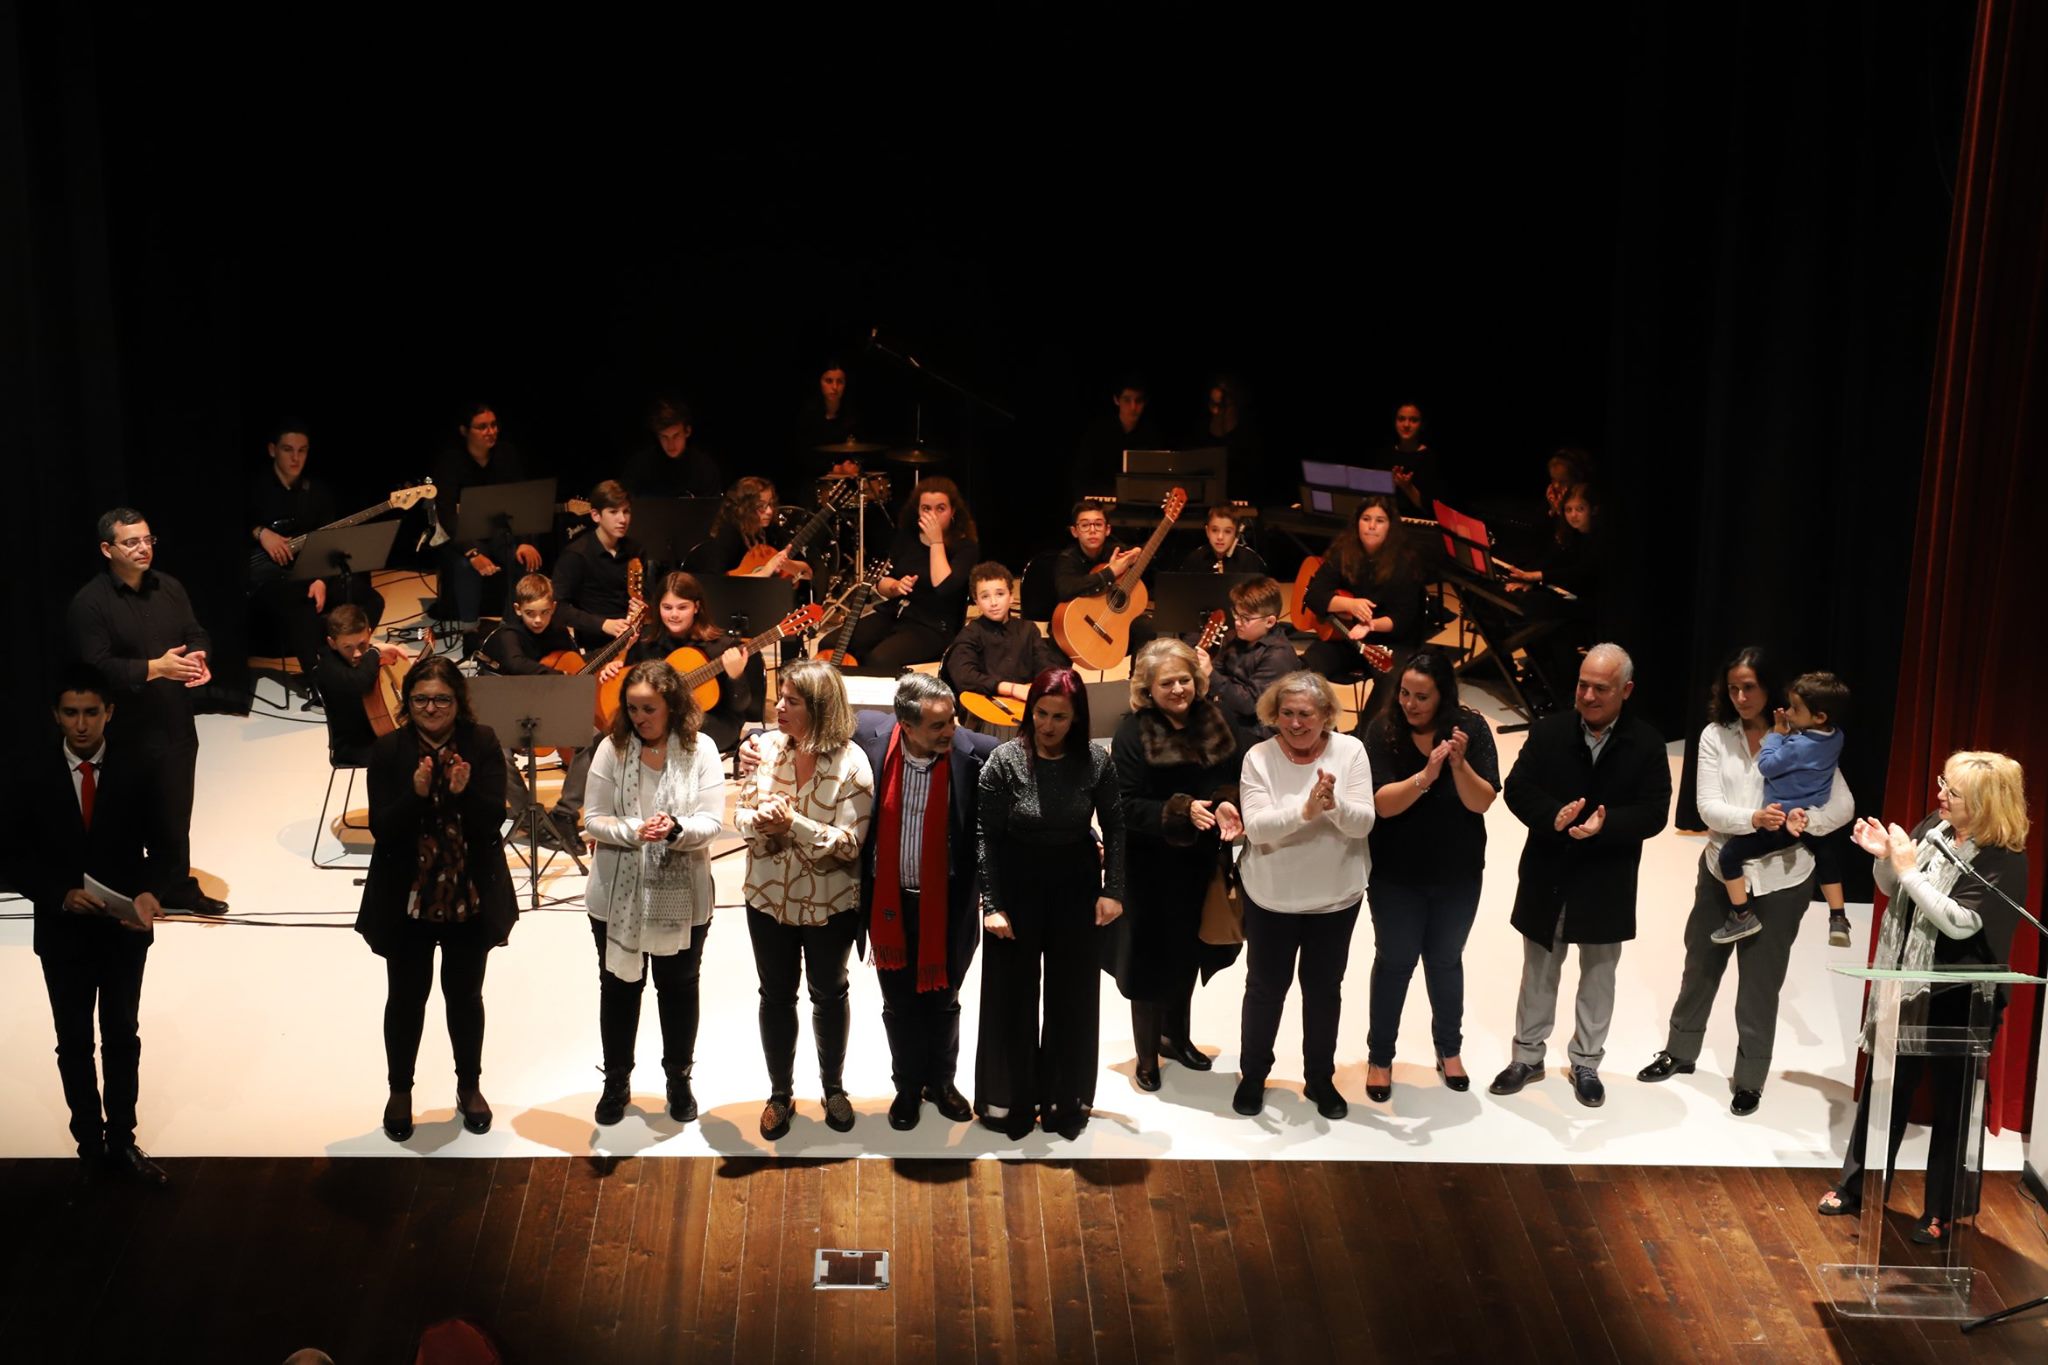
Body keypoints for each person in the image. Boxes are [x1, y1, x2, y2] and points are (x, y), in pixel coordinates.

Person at [1817, 752, 2030, 1246]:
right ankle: (1856, 1187)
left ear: (1985, 803)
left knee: (1955, 1106)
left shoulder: (2003, 859)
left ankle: (1941, 1210)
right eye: (1942, 785)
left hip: (1961, 994)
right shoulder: (1936, 826)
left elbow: (1960, 923)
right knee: (1885, 1090)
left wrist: (1909, 870)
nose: (1940, 796)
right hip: (1906, 982)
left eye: (1952, 792)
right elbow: (1896, 889)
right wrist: (1884, 859)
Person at [1637, 648, 1855, 1115]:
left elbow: (1842, 806)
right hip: (1724, 869)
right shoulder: (1715, 736)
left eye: (1749, 687)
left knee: (1760, 982)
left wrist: (1803, 823)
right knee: (1700, 964)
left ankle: (1750, 1078)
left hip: (1783, 878)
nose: (1740, 697)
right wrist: (1754, 820)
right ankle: (1680, 1051)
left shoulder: (1808, 738)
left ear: (1769, 688)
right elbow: (1707, 807)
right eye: (1733, 688)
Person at [7, 670, 171, 1184]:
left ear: (109, 713)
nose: (81, 724)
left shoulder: (138, 766)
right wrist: (59, 893)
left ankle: (121, 1140)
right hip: (63, 933)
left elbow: (166, 844)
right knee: (74, 1042)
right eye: (71, 713)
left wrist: (150, 892)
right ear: (56, 716)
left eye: (91, 713)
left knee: (122, 1037)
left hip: (123, 929)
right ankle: (89, 1146)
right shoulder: (31, 772)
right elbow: (12, 855)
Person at [1490, 643, 1671, 1108]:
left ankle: (1586, 1062)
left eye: (1600, 688)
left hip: (1606, 880)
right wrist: (1553, 816)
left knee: (1599, 975)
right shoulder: (1549, 731)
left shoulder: (1647, 743)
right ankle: (1526, 1057)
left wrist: (1605, 825)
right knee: (1538, 972)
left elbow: (1654, 812)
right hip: (1548, 871)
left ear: (1626, 690)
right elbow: (1517, 787)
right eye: (1582, 685)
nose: (1588, 696)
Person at [356, 655, 518, 1142]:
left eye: (441, 699)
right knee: (406, 998)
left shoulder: (481, 742)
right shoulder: (389, 750)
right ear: (407, 703)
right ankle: (399, 1090)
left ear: (458, 702)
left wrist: (463, 793)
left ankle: (469, 1086)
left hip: (468, 895)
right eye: (421, 699)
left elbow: (492, 822)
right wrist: (415, 794)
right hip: (409, 899)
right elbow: (382, 830)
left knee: (465, 997)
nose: (431, 708)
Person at [976, 668, 1125, 1139]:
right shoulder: (1003, 760)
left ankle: (1064, 1101)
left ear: (1076, 718)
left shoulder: (1096, 761)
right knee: (1011, 996)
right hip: (1016, 885)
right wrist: (991, 903)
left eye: (1059, 717)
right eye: (1041, 713)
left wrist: (1113, 889)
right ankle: (1012, 1102)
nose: (1048, 725)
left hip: (1075, 885)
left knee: (1072, 996)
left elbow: (1116, 828)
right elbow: (985, 836)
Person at [852, 672, 1000, 1131]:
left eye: (951, 719)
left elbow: (1034, 782)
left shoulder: (979, 752)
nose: (950, 730)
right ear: (906, 725)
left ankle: (942, 1082)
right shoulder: (870, 737)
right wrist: (755, 739)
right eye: (937, 725)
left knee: (944, 1000)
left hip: (950, 906)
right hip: (889, 904)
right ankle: (907, 1086)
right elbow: (811, 723)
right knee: (899, 1005)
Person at [734, 659, 875, 1139]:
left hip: (828, 905)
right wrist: (760, 821)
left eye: (790, 701)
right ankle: (780, 1094)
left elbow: (851, 845)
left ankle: (833, 1088)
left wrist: (792, 824)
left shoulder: (853, 765)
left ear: (818, 708)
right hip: (767, 898)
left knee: (829, 994)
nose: (778, 707)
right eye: (780, 697)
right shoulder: (767, 750)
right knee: (775, 996)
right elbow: (741, 813)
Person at [583, 661, 724, 1126]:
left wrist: (675, 829)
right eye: (632, 708)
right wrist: (633, 830)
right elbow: (593, 819)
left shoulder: (701, 749)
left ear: (672, 706)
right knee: (618, 989)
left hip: (684, 896)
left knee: (678, 989)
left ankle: (678, 1079)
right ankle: (616, 1081)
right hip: (615, 896)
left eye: (649, 709)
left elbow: (712, 822)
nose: (639, 718)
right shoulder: (611, 749)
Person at [67, 507, 227, 915]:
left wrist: (199, 656)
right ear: (107, 549)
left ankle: (176, 888)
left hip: (174, 722)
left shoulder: (169, 587)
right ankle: (129, 893)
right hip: (124, 731)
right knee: (128, 819)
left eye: (147, 540)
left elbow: (195, 632)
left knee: (175, 815)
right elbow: (96, 667)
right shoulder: (90, 603)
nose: (143, 548)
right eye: (131, 542)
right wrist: (156, 667)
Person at [1232, 672, 1374, 1120]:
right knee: (1265, 989)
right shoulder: (1258, 757)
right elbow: (1257, 828)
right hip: (1272, 897)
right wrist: (1307, 810)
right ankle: (1254, 1075)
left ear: (1326, 714)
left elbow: (1363, 823)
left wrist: (1333, 806)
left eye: (1306, 714)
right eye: (1287, 714)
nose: (1295, 724)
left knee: (1323, 991)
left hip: (1335, 898)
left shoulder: (1351, 751)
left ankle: (1319, 1079)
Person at [1361, 649, 1499, 1102]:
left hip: (1457, 872)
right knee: (1395, 961)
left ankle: (1449, 1050)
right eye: (1404, 693)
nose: (1410, 703)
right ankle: (1381, 1057)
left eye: (1422, 696)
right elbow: (1382, 805)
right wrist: (1427, 774)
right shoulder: (1383, 730)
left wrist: (1459, 765)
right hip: (1396, 874)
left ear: (1444, 696)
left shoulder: (1471, 729)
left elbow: (1481, 801)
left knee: (1445, 960)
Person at [1108, 638, 1246, 1091]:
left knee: (1189, 953)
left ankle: (1176, 1038)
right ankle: (1147, 1057)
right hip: (1149, 868)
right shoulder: (1132, 733)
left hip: (1201, 862)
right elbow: (1124, 804)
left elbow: (1231, 778)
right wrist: (1181, 810)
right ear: (1147, 688)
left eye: (1185, 679)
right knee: (1148, 963)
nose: (1178, 689)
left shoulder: (1216, 720)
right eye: (1167, 683)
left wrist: (1225, 803)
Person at [1711, 671, 1850, 946]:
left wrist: (1776, 734)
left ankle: (1741, 915)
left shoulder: (1798, 745)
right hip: (1810, 814)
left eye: (1795, 708)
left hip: (1782, 819)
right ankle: (1838, 917)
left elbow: (1767, 765)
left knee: (1729, 855)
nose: (1788, 712)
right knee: (1825, 854)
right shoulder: (1836, 737)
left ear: (1819, 717)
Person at [246, 420, 386, 683]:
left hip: (311, 571)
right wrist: (261, 533)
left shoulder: (317, 492)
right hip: (268, 577)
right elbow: (233, 523)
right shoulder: (254, 488)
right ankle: (318, 680)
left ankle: (347, 653)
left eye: (302, 450)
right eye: (288, 449)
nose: (296, 458)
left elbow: (327, 542)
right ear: (272, 450)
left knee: (372, 600)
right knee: (303, 606)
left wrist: (320, 578)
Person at [479, 574, 612, 844]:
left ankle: (565, 812)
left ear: (553, 608)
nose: (538, 620)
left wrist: (609, 660)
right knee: (497, 752)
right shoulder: (509, 635)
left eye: (544, 613)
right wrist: (557, 676)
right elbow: (516, 664)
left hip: (544, 706)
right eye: (530, 613)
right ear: (517, 609)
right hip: (507, 708)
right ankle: (527, 818)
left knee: (594, 737)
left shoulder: (558, 632)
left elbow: (575, 661)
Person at [603, 571, 764, 752]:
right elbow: (631, 686)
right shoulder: (646, 640)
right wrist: (617, 670)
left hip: (711, 722)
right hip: (655, 721)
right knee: (609, 739)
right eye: (667, 607)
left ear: (696, 607)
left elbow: (739, 707)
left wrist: (736, 677)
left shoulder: (721, 647)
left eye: (682, 607)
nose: (674, 614)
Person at [846, 478, 979, 674]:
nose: (932, 515)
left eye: (940, 508)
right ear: (918, 511)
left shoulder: (966, 547)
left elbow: (944, 586)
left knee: (878, 660)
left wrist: (936, 542)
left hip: (933, 626)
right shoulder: (907, 538)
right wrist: (895, 586)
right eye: (926, 509)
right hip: (895, 613)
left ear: (953, 512)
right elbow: (882, 581)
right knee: (832, 644)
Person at [430, 402, 542, 629]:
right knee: (465, 566)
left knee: (524, 558)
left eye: (493, 425)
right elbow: (447, 514)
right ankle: (469, 630)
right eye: (482, 427)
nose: (491, 431)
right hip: (465, 536)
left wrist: (525, 541)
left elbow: (522, 500)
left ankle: (512, 625)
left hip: (500, 532)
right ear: (465, 431)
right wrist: (472, 552)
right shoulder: (451, 461)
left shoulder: (506, 454)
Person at [1300, 494, 1425, 691]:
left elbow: (1403, 618)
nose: (1372, 526)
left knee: (1394, 681)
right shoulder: (1343, 553)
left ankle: (1373, 715)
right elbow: (1313, 595)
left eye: (1380, 521)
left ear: (1390, 527)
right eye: (1366, 519)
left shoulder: (1405, 565)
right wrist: (1350, 605)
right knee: (1302, 672)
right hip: (1345, 637)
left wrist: (1370, 625)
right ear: (1357, 522)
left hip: (1389, 642)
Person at [942, 562, 1065, 717]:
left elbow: (1046, 667)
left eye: (1000, 594)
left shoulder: (1028, 629)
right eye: (985, 596)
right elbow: (964, 676)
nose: (993, 603)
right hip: (985, 710)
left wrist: (1038, 685)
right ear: (976, 601)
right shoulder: (970, 633)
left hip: (1023, 708)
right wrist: (1010, 688)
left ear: (1011, 596)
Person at [1189, 576, 1296, 738]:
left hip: (1259, 730)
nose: (1238, 622)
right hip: (1232, 711)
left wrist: (1210, 674)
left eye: (1246, 618)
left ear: (1269, 621)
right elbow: (1218, 670)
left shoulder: (1278, 656)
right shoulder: (1236, 637)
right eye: (1236, 614)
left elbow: (1250, 705)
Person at [1050, 501, 1156, 659]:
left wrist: (1138, 552)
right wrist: (1111, 572)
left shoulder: (1115, 550)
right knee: (1058, 638)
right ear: (1074, 531)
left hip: (1113, 625)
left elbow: (1147, 556)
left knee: (1146, 628)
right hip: (1077, 623)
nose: (1092, 530)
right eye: (1085, 525)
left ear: (1107, 530)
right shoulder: (1067, 559)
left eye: (1098, 524)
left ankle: (1139, 675)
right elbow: (1066, 589)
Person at [313, 603, 409, 767]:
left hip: (383, 733)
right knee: (415, 754)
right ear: (332, 643)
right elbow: (360, 682)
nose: (357, 653)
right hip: (355, 746)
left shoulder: (368, 656)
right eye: (348, 647)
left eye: (362, 644)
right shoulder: (328, 667)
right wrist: (375, 651)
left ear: (369, 633)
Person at [692, 476, 806, 578]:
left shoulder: (771, 529)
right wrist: (765, 572)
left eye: (770, 504)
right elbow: (715, 581)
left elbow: (807, 571)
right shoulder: (729, 533)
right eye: (761, 506)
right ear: (745, 508)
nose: (769, 511)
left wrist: (789, 566)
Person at [1073, 374, 1164, 501]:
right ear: (1116, 400)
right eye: (1127, 400)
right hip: (1101, 502)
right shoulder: (1098, 434)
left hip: (1138, 503)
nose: (1133, 407)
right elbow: (1083, 477)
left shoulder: (1152, 436)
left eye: (1138, 401)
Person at [622, 395, 722, 500]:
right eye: (664, 437)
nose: (671, 445)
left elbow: (713, 507)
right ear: (657, 435)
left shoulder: (705, 468)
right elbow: (623, 503)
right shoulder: (639, 466)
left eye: (676, 436)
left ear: (687, 431)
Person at [1176, 504, 1268, 575]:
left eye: (1227, 531)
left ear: (1235, 534)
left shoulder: (1249, 560)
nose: (1220, 537)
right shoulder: (1195, 560)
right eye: (1215, 530)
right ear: (1207, 531)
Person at [1385, 402, 1442, 515]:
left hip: (1419, 521)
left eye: (1413, 420)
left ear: (1422, 424)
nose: (1406, 425)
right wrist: (1390, 484)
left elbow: (1433, 508)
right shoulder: (1385, 454)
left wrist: (1408, 487)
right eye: (1401, 419)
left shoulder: (1430, 458)